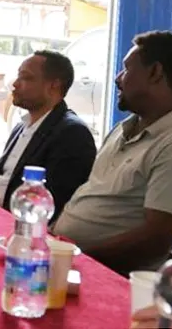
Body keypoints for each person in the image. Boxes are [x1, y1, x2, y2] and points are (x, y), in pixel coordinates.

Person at [54, 31, 172, 275]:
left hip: (106, 276)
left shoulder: (168, 144)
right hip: (66, 259)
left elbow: (156, 240)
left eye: (127, 70)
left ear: (155, 72)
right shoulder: (122, 129)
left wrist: (80, 261)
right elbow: (93, 195)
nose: (118, 79)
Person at [0, 50, 96, 221]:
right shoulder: (21, 126)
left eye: (26, 78)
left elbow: (54, 204)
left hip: (19, 226)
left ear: (53, 86)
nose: (15, 84)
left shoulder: (72, 134)